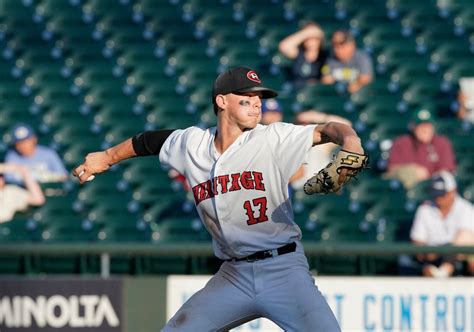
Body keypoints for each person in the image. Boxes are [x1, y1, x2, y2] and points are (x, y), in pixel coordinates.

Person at [73, 66, 365, 331]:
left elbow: (328, 130)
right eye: (247, 98)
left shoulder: (272, 138)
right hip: (233, 274)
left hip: (283, 269)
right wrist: (107, 157)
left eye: (259, 99)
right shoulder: (192, 143)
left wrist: (352, 142)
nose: (256, 105)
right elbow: (148, 142)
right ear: (222, 101)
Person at [410, 171, 474, 277]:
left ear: (453, 191)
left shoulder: (466, 209)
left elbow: (464, 241)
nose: (438, 198)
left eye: (442, 194)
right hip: (431, 257)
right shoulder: (425, 209)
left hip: (459, 258)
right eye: (436, 194)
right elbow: (418, 242)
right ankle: (442, 272)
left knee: (466, 241)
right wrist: (431, 252)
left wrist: (444, 250)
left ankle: (443, 272)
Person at [387, 108, 456, 188]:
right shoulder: (402, 143)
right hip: (409, 188)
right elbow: (392, 170)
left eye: (427, 126)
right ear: (413, 127)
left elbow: (447, 170)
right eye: (421, 126)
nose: (425, 129)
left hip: (435, 190)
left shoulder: (442, 143)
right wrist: (411, 171)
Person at [291, 110, 352, 189]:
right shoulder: (289, 146)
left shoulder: (320, 143)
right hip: (300, 191)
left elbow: (346, 127)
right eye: (300, 124)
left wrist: (317, 117)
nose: (304, 127)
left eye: (307, 124)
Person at [278, 22, 329, 91]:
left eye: (314, 37)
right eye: (308, 37)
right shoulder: (299, 53)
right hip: (296, 92)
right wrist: (306, 33)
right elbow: (283, 46)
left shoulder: (325, 56)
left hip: (316, 94)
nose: (311, 41)